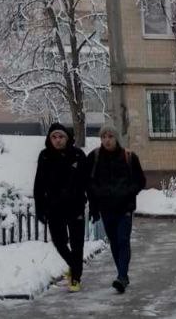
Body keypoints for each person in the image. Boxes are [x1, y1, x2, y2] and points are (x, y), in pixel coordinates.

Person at [85, 125, 147, 294]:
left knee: (123, 240)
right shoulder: (95, 157)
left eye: (110, 136)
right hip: (106, 208)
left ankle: (122, 276)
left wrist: (127, 193)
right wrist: (95, 204)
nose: (107, 140)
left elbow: (140, 181)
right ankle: (122, 274)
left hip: (124, 208)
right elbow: (88, 183)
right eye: (104, 136)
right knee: (114, 242)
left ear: (116, 138)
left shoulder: (129, 157)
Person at [33, 122, 88, 292]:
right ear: (49, 139)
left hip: (75, 206)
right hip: (54, 208)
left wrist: (90, 202)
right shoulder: (45, 156)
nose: (57, 140)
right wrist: (40, 208)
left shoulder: (78, 155)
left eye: (61, 137)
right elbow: (39, 185)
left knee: (77, 244)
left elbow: (87, 181)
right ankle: (75, 267)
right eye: (54, 137)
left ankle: (75, 279)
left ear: (67, 138)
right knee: (59, 242)